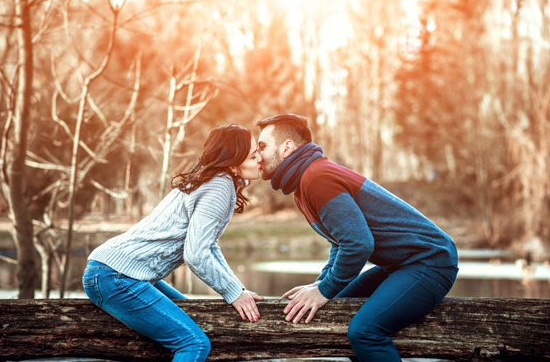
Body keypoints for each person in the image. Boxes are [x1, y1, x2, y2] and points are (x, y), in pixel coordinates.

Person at [256, 114, 458, 362]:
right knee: (336, 308)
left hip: (430, 262)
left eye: (262, 146)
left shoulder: (317, 179)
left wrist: (324, 290)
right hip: (401, 265)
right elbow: (341, 241)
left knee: (365, 332)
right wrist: (321, 285)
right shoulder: (304, 184)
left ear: (287, 148)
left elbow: (359, 244)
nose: (257, 155)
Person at [82, 124, 264, 362]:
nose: (260, 158)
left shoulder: (216, 182)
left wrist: (237, 289)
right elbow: (196, 254)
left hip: (113, 272)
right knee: (194, 344)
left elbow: (209, 246)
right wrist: (233, 293)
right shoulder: (219, 186)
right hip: (115, 276)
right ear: (232, 164)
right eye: (253, 155)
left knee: (192, 319)